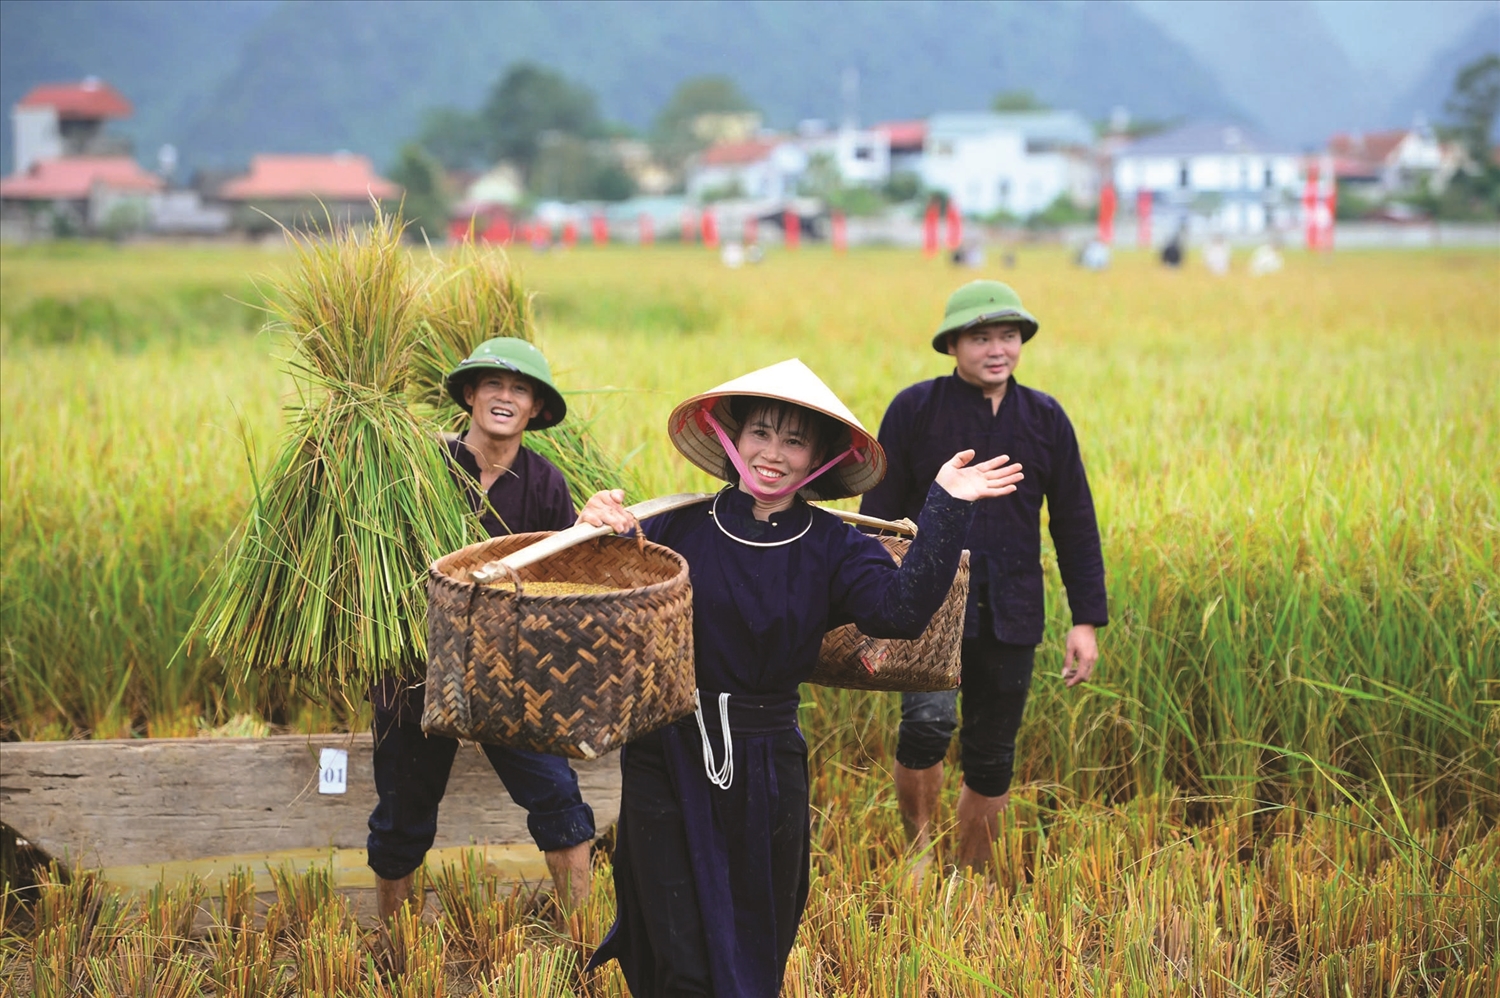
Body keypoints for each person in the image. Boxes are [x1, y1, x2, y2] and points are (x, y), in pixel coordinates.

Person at [579, 359, 1024, 997]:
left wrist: (946, 506)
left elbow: (900, 612)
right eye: (761, 432)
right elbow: (590, 589)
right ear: (731, 438)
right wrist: (592, 524)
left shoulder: (833, 546)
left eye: (795, 441)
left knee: (756, 932)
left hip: (766, 760)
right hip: (668, 751)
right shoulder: (676, 527)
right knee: (673, 941)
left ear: (818, 459)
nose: (773, 454)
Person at [859, 280, 1107, 876]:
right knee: (927, 723)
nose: (997, 348)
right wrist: (872, 613)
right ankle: (920, 853)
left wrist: (1086, 620)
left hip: (1013, 606)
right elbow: (878, 517)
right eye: (980, 337)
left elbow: (1075, 521)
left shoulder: (1046, 418)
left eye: (1008, 335)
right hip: (927, 605)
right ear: (952, 345)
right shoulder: (915, 409)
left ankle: (970, 875)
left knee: (993, 753)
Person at [367, 337, 596, 920]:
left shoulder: (546, 486)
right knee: (401, 813)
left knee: (559, 801)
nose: (504, 396)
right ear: (469, 394)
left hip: (508, 672)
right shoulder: (419, 465)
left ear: (537, 410)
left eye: (520, 389)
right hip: (415, 668)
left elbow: (561, 585)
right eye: (492, 384)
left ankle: (585, 945)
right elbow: (374, 558)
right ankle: (396, 946)